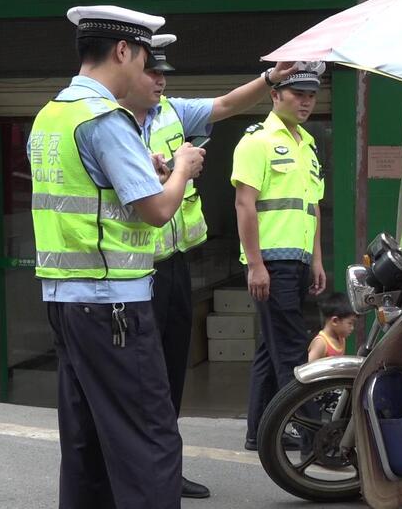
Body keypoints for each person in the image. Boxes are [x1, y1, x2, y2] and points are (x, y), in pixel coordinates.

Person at [29, 5, 205, 509]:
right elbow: (156, 211)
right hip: (114, 306)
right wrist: (183, 168)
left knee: (86, 438)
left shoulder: (53, 113)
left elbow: (85, 186)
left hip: (66, 302)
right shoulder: (106, 118)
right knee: (149, 438)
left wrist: (142, 165)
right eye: (144, 57)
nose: (147, 72)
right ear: (123, 51)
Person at [117, 33, 300, 498]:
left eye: (163, 75)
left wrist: (267, 78)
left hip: (175, 266)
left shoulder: (172, 113)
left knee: (172, 372)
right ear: (128, 71)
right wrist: (170, 169)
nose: (160, 81)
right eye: (152, 72)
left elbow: (224, 105)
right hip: (132, 273)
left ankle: (164, 469)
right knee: (141, 377)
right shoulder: (110, 124)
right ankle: (132, 469)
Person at [232, 63, 327, 451]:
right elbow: (244, 204)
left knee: (269, 350)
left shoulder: (307, 142)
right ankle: (314, 438)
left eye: (311, 95)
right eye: (297, 94)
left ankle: (259, 431)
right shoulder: (256, 141)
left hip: (299, 262)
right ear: (275, 95)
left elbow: (313, 206)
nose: (305, 101)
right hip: (271, 263)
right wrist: (255, 264)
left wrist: (317, 260)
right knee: (292, 351)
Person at [307, 296, 356, 362]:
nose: (352, 328)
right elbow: (308, 369)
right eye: (350, 323)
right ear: (335, 321)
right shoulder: (321, 343)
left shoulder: (341, 338)